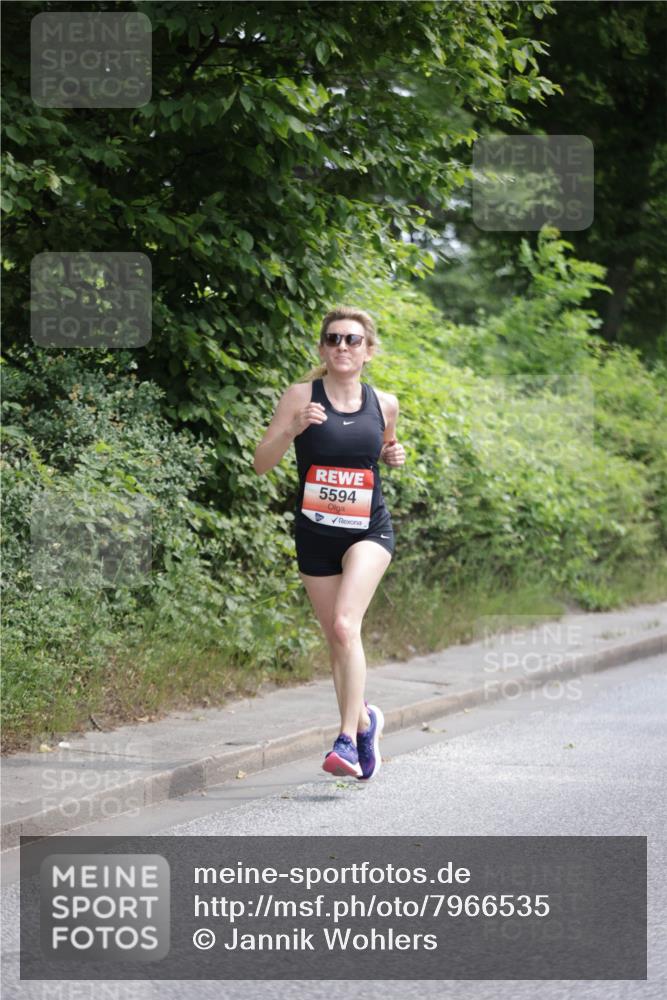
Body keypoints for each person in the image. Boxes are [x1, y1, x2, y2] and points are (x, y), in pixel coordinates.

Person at [253, 306, 406, 780]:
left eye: (353, 340)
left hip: (368, 531)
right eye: (334, 339)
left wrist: (393, 454)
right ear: (322, 348)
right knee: (338, 640)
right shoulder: (300, 396)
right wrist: (293, 428)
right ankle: (367, 721)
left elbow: (383, 450)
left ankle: (345, 739)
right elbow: (261, 462)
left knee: (344, 625)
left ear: (368, 351)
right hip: (315, 534)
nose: (343, 347)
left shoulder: (384, 402)